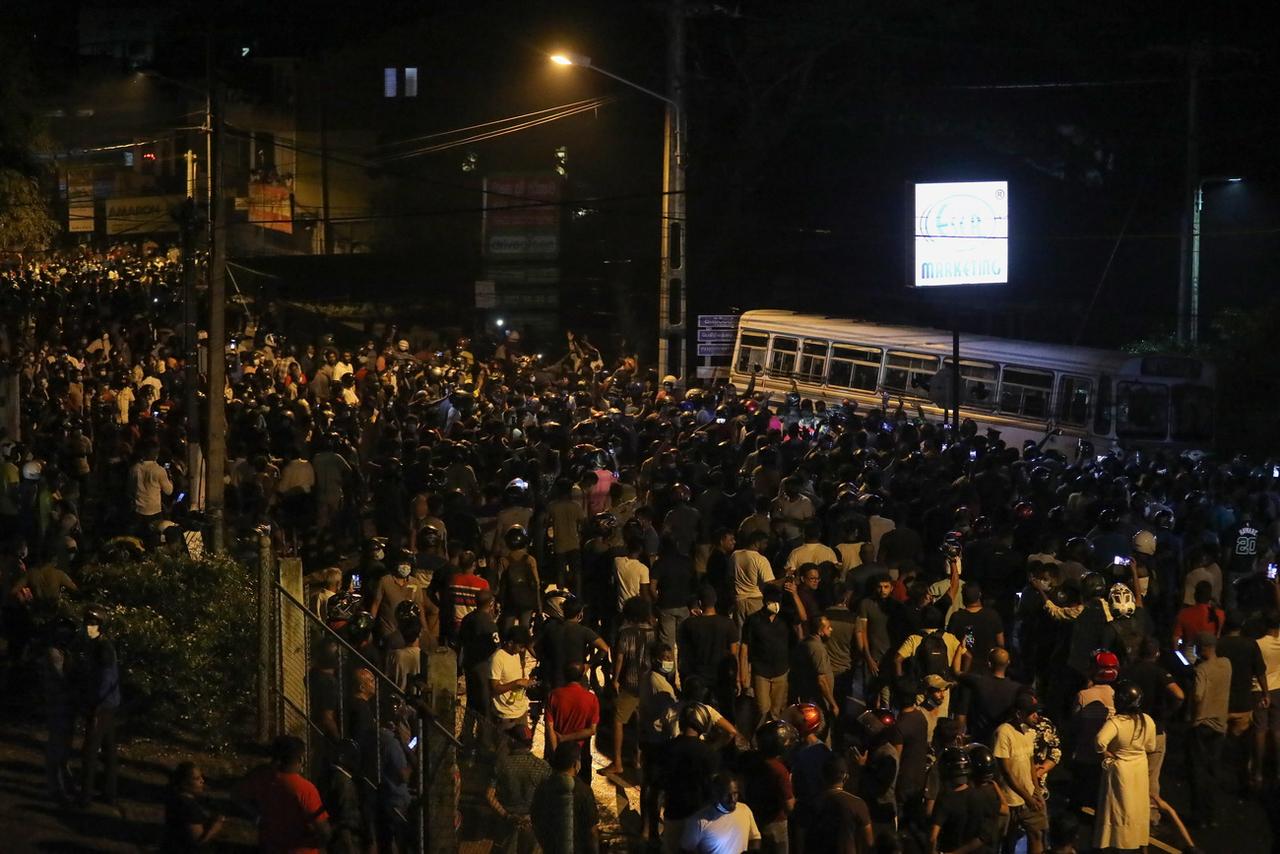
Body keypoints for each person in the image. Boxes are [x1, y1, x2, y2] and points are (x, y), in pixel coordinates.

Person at [233, 735, 331, 853]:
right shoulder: (305, 789)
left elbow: (237, 796)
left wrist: (257, 817)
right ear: (301, 759)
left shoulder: (260, 777)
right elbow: (324, 831)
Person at [1093, 680, 1157, 851]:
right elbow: (1151, 747)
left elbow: (1099, 741)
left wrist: (1107, 753)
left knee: (1119, 809)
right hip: (1140, 768)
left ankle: (1117, 843)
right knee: (1137, 807)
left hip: (1121, 769)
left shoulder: (1116, 722)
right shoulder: (1148, 721)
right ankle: (1137, 842)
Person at [74, 605, 120, 808]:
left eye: (93, 624)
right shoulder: (96, 645)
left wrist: (96, 706)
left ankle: (85, 797)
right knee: (109, 751)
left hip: (102, 706)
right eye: (87, 623)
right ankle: (109, 793)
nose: (88, 627)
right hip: (108, 704)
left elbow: (106, 679)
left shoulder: (103, 647)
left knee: (90, 751)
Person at [1186, 630, 1231, 828]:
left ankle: (1199, 816)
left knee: (1197, 771)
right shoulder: (1227, 664)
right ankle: (1212, 815)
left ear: (1203, 648)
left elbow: (1197, 695)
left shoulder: (1201, 670)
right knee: (1214, 770)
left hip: (1202, 725)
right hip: (1220, 725)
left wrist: (1194, 717)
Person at [993, 693, 1046, 854]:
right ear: (1019, 714)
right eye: (1032, 712)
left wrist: (1036, 790)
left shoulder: (1029, 732)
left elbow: (1030, 762)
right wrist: (1027, 797)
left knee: (1037, 833)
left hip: (1029, 795)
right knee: (1007, 840)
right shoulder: (1003, 732)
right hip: (1010, 799)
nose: (1036, 716)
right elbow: (1006, 772)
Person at [610, 595, 656, 774]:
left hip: (629, 684)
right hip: (647, 683)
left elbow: (620, 658)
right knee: (641, 722)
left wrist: (614, 679)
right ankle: (638, 759)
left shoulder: (625, 632)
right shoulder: (653, 632)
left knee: (618, 720)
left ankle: (618, 762)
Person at [488, 725, 551, 854]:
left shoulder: (501, 764)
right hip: (533, 825)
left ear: (513, 741)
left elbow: (489, 796)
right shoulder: (543, 767)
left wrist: (508, 816)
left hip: (507, 825)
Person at [530, 742, 599, 854]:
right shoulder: (583, 791)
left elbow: (535, 818)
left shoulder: (543, 787)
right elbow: (592, 831)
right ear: (575, 764)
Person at [741, 588, 793, 719]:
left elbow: (802, 619)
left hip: (781, 671)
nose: (775, 605)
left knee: (777, 711)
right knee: (763, 709)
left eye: (778, 602)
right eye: (772, 601)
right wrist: (743, 673)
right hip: (761, 671)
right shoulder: (753, 620)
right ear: (764, 602)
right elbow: (745, 646)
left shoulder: (785, 619)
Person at [679, 772, 762, 854]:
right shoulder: (698, 821)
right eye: (727, 795)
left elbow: (755, 837)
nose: (733, 799)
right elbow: (686, 850)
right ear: (716, 794)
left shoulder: (745, 810)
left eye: (735, 793)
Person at [546, 661, 601, 783]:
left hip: (561, 752)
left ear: (565, 675)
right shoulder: (591, 698)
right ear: (582, 676)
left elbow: (550, 728)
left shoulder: (553, 695)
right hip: (581, 752)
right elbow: (592, 730)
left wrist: (556, 752)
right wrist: (566, 738)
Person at [160, 762, 224, 852]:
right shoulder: (188, 807)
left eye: (201, 777)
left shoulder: (175, 797)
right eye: (197, 779)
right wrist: (216, 826)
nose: (202, 781)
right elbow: (198, 842)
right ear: (184, 783)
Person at [489, 625, 536, 733]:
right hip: (505, 716)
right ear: (510, 643)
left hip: (520, 712)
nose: (523, 650)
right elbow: (494, 688)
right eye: (521, 646)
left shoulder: (516, 655)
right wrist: (517, 683)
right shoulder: (497, 659)